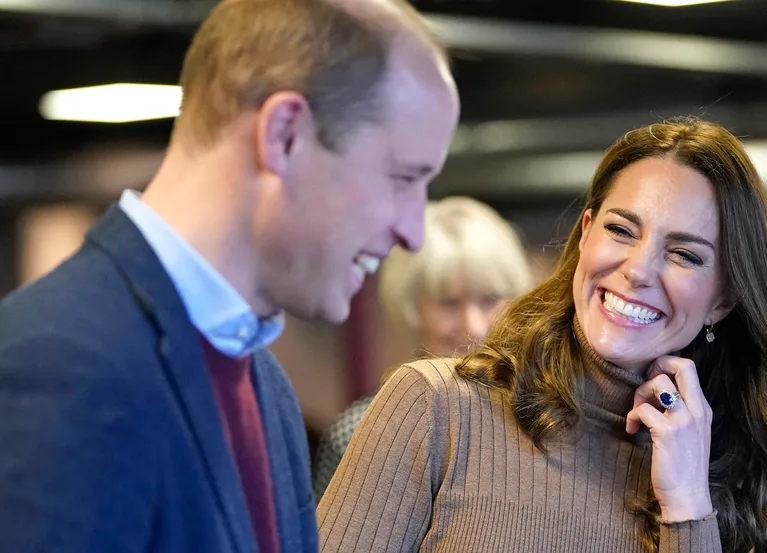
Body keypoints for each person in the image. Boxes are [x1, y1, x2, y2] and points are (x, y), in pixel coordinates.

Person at [0, 0, 459, 551]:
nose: (414, 230)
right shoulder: (61, 366)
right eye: (403, 177)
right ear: (284, 134)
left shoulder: (266, 387)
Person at [317, 118, 767, 552]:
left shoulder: (714, 478)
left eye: (684, 254)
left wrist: (687, 507)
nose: (638, 270)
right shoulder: (436, 407)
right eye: (622, 230)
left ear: (724, 298)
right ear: (585, 233)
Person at [311, 196, 533, 502]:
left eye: (490, 299)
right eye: (449, 303)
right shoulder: (361, 431)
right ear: (412, 309)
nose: (474, 326)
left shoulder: (545, 417)